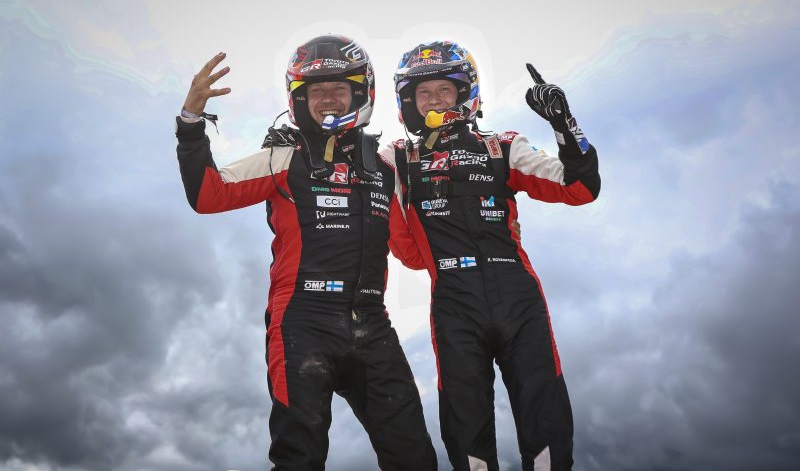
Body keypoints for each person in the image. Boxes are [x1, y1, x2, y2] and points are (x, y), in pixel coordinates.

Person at [175, 35, 437, 471]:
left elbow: (412, 254)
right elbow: (208, 195)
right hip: (302, 319)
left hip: (372, 322)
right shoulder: (282, 157)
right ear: (300, 100)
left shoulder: (383, 167)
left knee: (414, 456)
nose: (328, 99)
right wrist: (190, 121)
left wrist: (488, 230)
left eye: (339, 88)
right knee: (300, 457)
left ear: (361, 93)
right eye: (317, 91)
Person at [384, 40, 601, 471]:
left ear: (465, 93)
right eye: (423, 92)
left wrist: (564, 123)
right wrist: (296, 142)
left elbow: (580, 188)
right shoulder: (395, 158)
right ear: (408, 102)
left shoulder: (503, 145)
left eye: (444, 89)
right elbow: (408, 253)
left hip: (517, 296)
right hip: (454, 303)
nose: (434, 100)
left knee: (546, 423)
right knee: (467, 434)